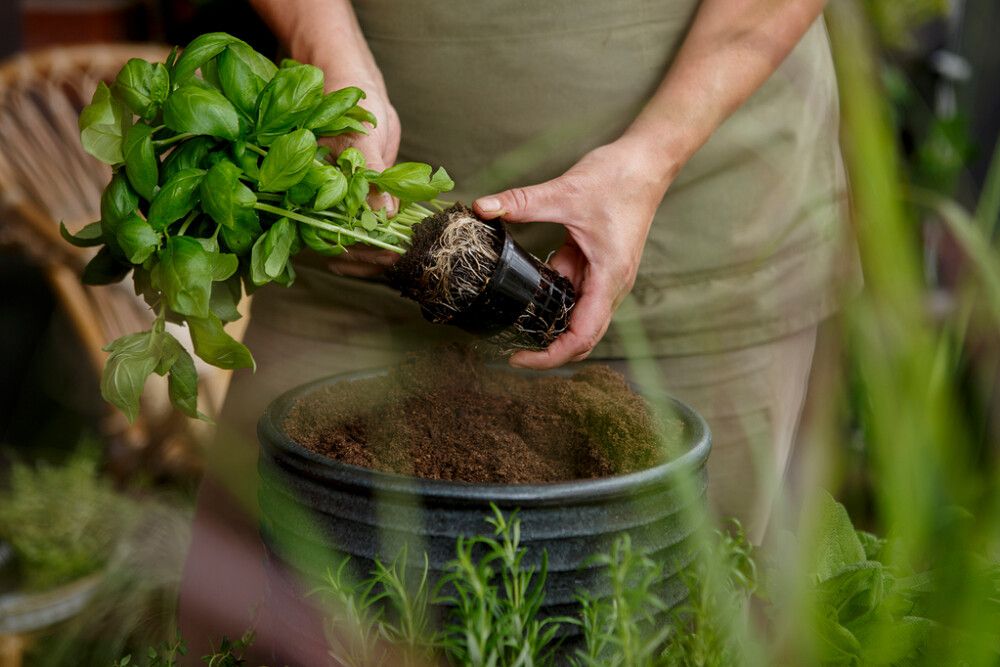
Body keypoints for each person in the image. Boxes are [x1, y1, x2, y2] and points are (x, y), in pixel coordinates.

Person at [180, 0, 860, 662]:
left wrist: (653, 157)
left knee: (669, 631)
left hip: (696, 247)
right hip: (359, 229)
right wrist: (324, 43)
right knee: (257, 624)